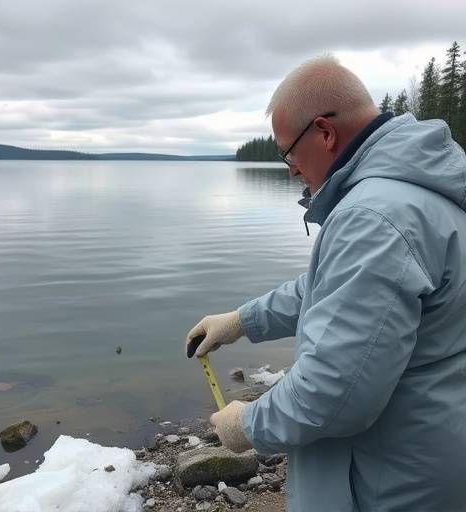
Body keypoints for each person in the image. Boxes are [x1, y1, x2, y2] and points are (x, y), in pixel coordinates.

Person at [185, 56, 466, 511]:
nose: (291, 170)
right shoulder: (417, 193)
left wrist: (248, 424)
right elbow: (329, 289)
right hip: (429, 451)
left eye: (288, 152)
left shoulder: (374, 217)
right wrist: (242, 320)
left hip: (384, 482)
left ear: (324, 133)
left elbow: (336, 392)